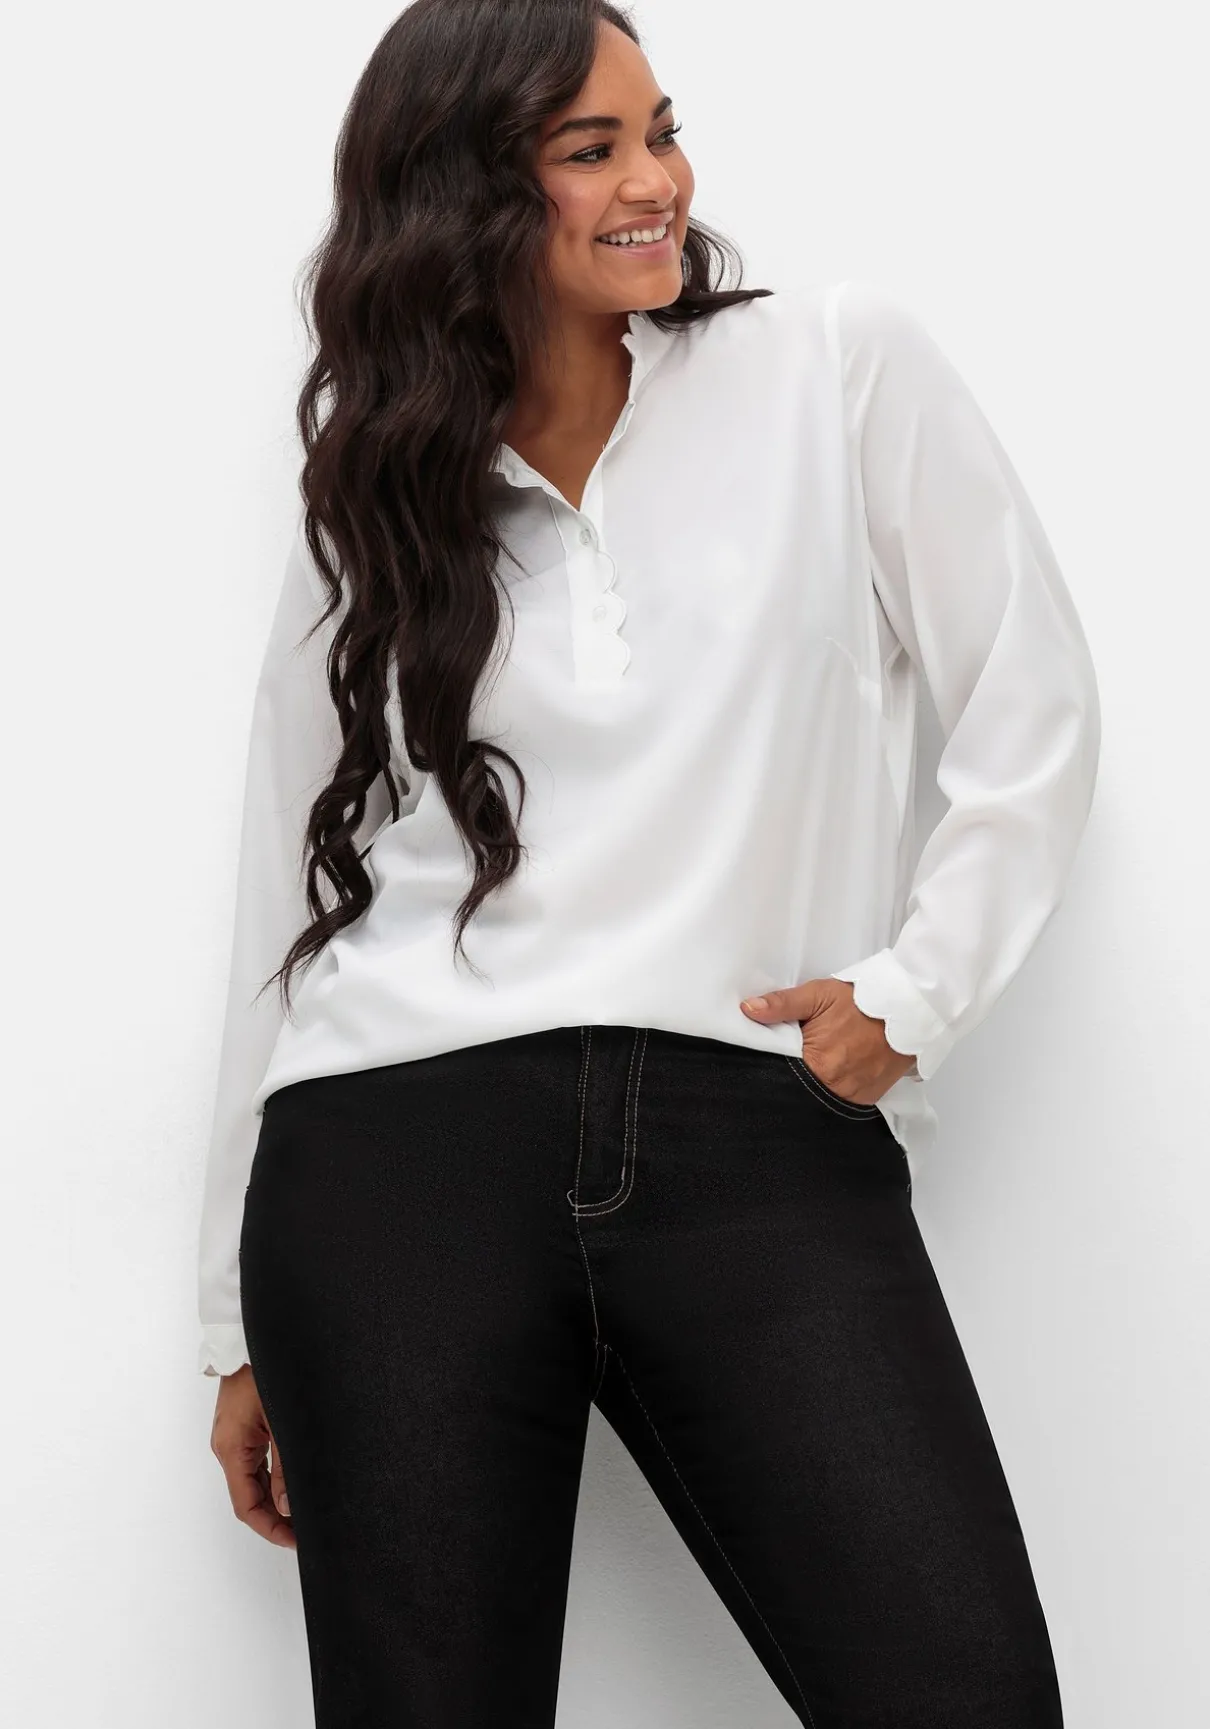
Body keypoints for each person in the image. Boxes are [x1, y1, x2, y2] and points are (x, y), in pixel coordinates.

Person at [199, 2, 1100, 1723]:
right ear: (463, 193)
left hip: (750, 1137)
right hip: (395, 1162)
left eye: (661, 130)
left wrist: (914, 995)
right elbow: (289, 893)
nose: (657, 183)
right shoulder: (381, 495)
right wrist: (229, 1323)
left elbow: (1032, 702)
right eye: (590, 149)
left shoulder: (831, 370)